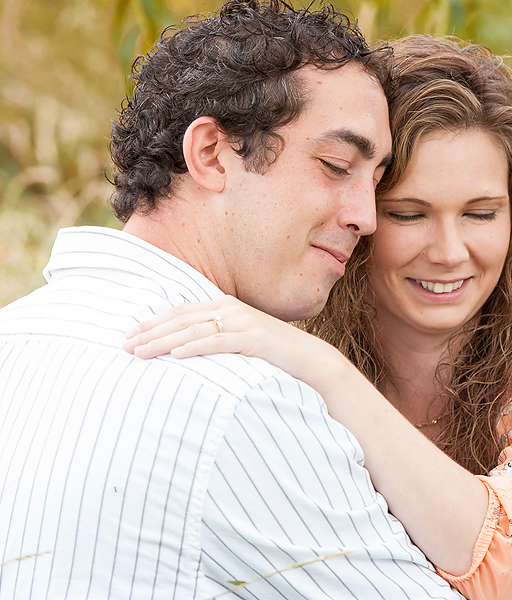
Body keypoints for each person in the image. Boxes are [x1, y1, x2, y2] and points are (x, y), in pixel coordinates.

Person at [124, 35, 512, 600]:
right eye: (409, 214)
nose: (448, 251)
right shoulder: (287, 357)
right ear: (360, 215)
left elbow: (509, 564)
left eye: (481, 213)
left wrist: (331, 374)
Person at [0, 3, 466, 599]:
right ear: (213, 153)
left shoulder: (16, 335)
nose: (366, 218)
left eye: (375, 183)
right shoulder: (238, 400)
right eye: (337, 165)